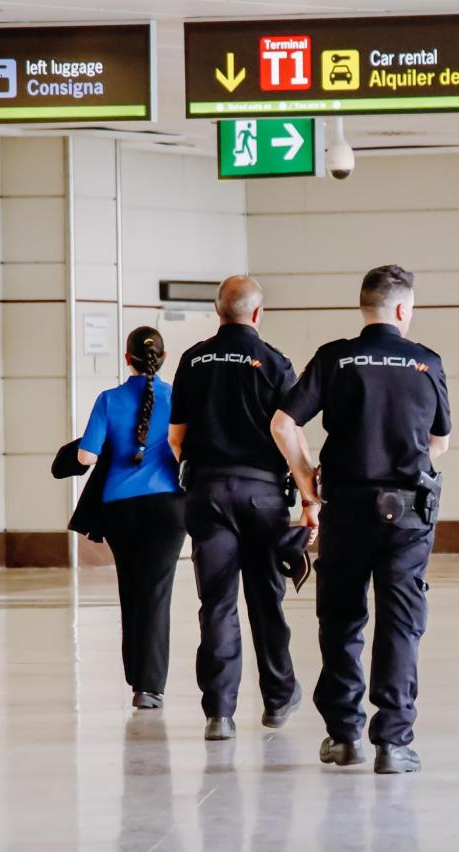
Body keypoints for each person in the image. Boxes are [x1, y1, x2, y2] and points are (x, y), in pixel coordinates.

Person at [271, 265, 450, 775]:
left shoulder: (334, 357)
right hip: (408, 514)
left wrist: (307, 481)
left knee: (342, 620)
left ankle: (344, 736)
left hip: (346, 509)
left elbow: (284, 423)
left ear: (364, 306)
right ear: (401, 309)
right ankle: (393, 742)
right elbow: (438, 442)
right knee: (400, 623)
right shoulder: (426, 362)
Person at [168, 275, 307, 742]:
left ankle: (220, 714)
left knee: (217, 603)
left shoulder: (193, 359)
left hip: (207, 494)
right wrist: (309, 495)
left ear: (218, 311)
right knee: (266, 599)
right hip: (262, 495)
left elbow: (176, 438)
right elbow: (290, 432)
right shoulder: (274, 362)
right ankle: (278, 697)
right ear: (257, 313)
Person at [78, 327, 185, 711]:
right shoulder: (177, 398)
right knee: (157, 593)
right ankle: (150, 687)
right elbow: (184, 448)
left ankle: (135, 673)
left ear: (127, 359)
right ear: (164, 356)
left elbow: (86, 458)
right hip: (168, 508)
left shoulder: (109, 400)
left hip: (120, 508)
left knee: (131, 589)